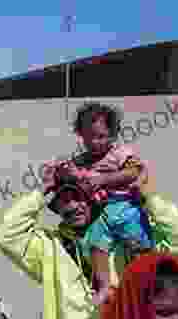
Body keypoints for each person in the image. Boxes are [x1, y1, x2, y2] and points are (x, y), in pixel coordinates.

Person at [0, 177, 178, 319]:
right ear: (56, 208)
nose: (73, 206)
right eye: (63, 201)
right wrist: (41, 193)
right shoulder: (49, 247)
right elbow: (6, 235)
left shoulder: (130, 240)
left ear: (92, 197)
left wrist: (148, 199)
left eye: (77, 197)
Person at [42, 103, 155, 305]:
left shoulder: (120, 153)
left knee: (138, 246)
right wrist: (58, 172)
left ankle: (148, 284)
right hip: (102, 214)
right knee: (96, 245)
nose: (95, 142)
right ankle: (104, 286)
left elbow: (134, 172)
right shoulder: (82, 160)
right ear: (80, 135)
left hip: (126, 206)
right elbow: (67, 178)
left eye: (101, 136)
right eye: (89, 137)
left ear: (113, 134)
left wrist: (104, 180)